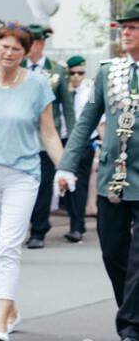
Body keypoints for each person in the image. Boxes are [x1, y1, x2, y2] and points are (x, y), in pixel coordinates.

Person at [56, 2, 139, 341]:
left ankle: (131, 328)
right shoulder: (110, 72)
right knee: (112, 252)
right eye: (124, 27)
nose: (126, 32)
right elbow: (87, 121)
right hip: (113, 177)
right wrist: (66, 165)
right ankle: (132, 311)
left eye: (134, 27)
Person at [0, 25, 63, 341]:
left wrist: (64, 169)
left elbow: (49, 132)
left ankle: (1, 322)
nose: (8, 53)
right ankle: (10, 308)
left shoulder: (38, 85)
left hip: (23, 176)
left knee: (9, 246)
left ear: (26, 54)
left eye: (16, 49)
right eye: (4, 46)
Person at [24, 24, 74, 249]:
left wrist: (73, 139)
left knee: (43, 187)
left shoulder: (57, 71)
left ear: (41, 43)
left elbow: (68, 107)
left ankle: (38, 229)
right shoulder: (16, 66)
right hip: (21, 139)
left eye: (32, 42)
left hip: (46, 140)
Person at [63, 55, 96, 243]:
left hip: (84, 143)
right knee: (65, 185)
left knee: (80, 185)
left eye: (80, 73)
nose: (76, 77)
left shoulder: (90, 90)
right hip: (65, 141)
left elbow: (98, 117)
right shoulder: (63, 91)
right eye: (72, 73)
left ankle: (77, 226)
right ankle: (77, 222)